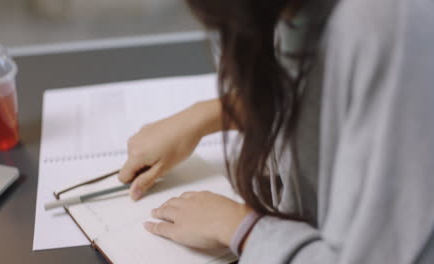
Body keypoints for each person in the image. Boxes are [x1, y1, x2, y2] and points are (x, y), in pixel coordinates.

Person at [118, 0, 434, 263]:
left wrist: (240, 228)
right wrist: (208, 114)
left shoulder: (387, 24)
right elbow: (319, 97)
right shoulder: (290, 12)